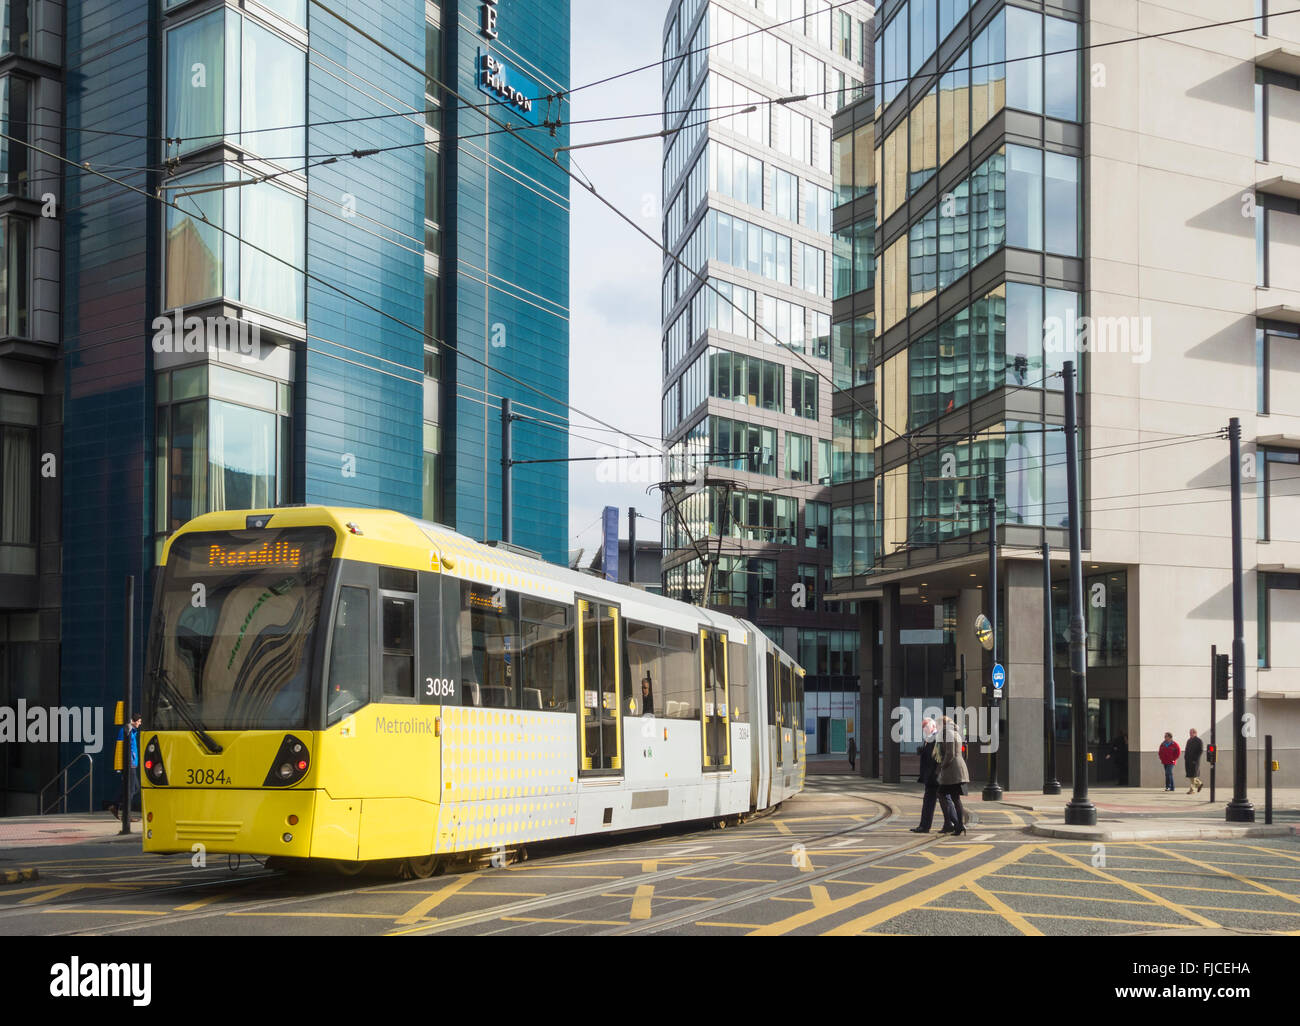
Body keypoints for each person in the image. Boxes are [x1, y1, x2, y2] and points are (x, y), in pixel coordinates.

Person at [910, 718, 954, 834]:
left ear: (933, 726)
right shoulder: (930, 738)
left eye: (925, 726)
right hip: (931, 776)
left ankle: (954, 823)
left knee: (944, 799)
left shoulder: (936, 738)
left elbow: (938, 757)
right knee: (933, 800)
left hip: (936, 776)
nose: (924, 729)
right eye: (923, 726)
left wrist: (936, 772)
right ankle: (943, 824)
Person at [936, 716, 970, 835]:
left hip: (952, 770)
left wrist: (941, 767)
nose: (937, 727)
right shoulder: (955, 732)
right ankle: (957, 825)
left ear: (942, 724)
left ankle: (952, 824)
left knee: (941, 793)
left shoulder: (949, 733)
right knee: (955, 798)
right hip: (958, 769)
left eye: (938, 724)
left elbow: (950, 753)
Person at [111, 713, 142, 817]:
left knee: (134, 788)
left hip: (132, 763)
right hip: (129, 764)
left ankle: (115, 805)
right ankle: (126, 814)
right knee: (131, 789)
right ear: (134, 721)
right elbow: (121, 746)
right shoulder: (126, 731)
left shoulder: (132, 731)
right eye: (139, 721)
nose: (140, 723)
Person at [1184, 727, 1204, 794]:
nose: (1190, 734)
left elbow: (1200, 751)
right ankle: (1199, 784)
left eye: (1191, 733)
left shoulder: (1199, 740)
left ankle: (1192, 790)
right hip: (1188, 760)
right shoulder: (1189, 740)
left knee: (1192, 775)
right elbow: (1186, 749)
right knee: (1191, 775)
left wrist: (1195, 759)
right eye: (1189, 733)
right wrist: (1185, 757)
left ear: (1195, 733)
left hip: (1194, 761)